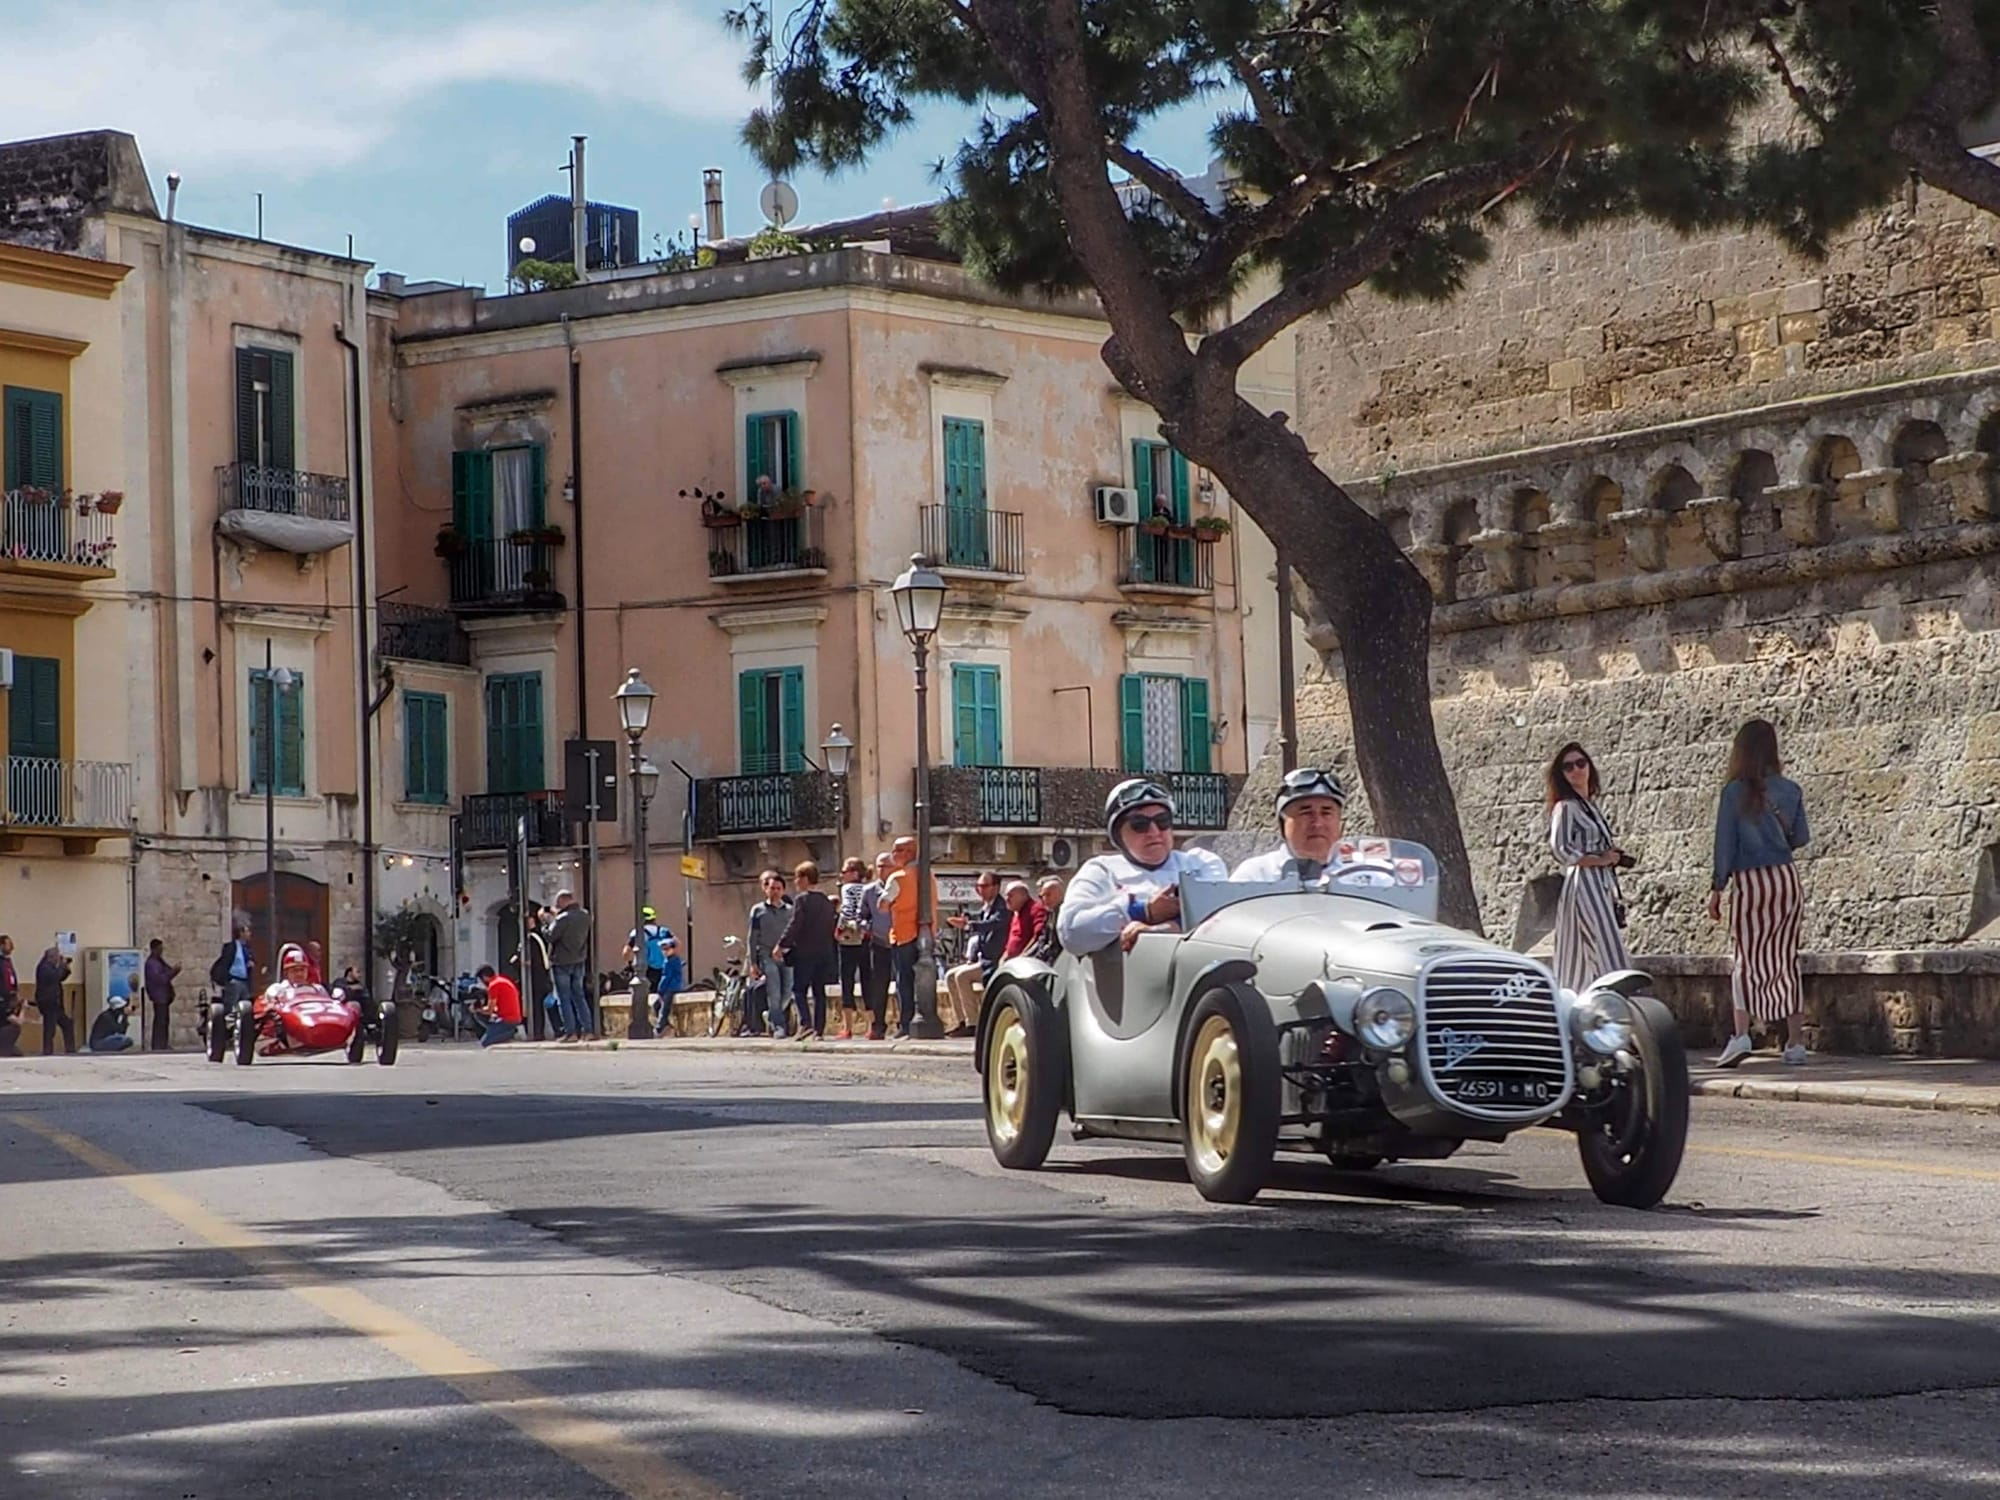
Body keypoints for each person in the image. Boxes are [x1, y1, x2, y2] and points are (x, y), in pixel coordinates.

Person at [1709, 719, 1812, 1068]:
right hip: (1785, 878)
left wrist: (1717, 888)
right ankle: (1795, 1041)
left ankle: (1741, 1035)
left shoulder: (1734, 792)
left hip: (1751, 881)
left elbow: (1725, 844)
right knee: (1786, 956)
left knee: (1745, 957)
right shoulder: (1791, 789)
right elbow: (1800, 838)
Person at [1058, 780, 1228, 956]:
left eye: (1162, 821)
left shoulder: (1201, 862)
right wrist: (1142, 910)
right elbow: (1070, 933)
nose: (1154, 831)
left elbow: (1220, 914)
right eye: (1139, 824)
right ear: (1118, 834)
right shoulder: (1100, 871)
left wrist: (1163, 928)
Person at [1544, 744, 1633, 995]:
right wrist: (1600, 859)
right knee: (1602, 941)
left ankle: (1585, 1000)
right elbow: (1560, 850)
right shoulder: (1566, 808)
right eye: (1568, 767)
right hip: (1584, 884)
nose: (1576, 770)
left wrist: (1611, 857)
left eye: (1580, 763)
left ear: (1590, 766)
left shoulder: (1590, 806)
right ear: (1561, 774)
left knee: (1583, 949)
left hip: (1600, 883)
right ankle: (1618, 994)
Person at [1231, 768, 1348, 881]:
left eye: (1326, 813)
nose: (1317, 823)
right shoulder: (1255, 875)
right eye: (1306, 813)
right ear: (1282, 823)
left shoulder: (1360, 876)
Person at [881, 835, 938, 1037]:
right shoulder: (927, 876)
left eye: (896, 850)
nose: (893, 854)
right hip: (925, 935)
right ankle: (926, 1017)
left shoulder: (898, 877)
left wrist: (893, 904)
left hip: (903, 934)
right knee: (924, 979)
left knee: (904, 981)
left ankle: (906, 1024)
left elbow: (883, 904)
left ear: (908, 853)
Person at [775, 861, 838, 1038]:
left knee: (798, 990)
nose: (795, 881)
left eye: (797, 877)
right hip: (824, 953)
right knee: (819, 992)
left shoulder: (802, 900)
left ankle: (806, 1024)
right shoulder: (827, 902)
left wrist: (781, 946)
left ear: (804, 878)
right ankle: (819, 1030)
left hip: (805, 953)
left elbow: (795, 925)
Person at [943, 871, 1007, 1037]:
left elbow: (992, 924)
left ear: (996, 887)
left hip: (993, 962)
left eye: (985, 886)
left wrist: (969, 925)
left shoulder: (1001, 907)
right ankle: (962, 1021)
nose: (981, 890)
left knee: (962, 976)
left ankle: (973, 1023)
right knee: (950, 975)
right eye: (978, 886)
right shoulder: (986, 907)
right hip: (981, 960)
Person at [747, 869, 796, 1036]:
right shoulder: (758, 910)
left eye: (778, 888)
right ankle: (778, 1027)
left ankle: (772, 1016)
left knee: (788, 991)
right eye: (771, 888)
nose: (775, 891)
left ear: (783, 890)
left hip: (787, 956)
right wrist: (753, 962)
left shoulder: (790, 911)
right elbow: (752, 938)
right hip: (767, 956)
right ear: (765, 889)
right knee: (773, 991)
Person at [545, 889, 595, 1043]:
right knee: (579, 996)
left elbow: (550, 936)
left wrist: (546, 922)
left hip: (562, 962)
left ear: (563, 901)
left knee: (564, 998)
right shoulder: (585, 915)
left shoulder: (562, 919)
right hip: (579, 960)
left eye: (558, 903)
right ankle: (588, 1030)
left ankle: (570, 1032)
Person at [833, 856, 874, 1040]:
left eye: (844, 872)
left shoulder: (847, 888)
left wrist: (839, 928)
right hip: (865, 937)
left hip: (850, 938)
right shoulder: (868, 888)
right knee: (867, 980)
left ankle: (847, 1027)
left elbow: (848, 910)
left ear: (854, 873)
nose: (842, 875)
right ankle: (871, 1026)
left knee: (847, 981)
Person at [861, 851, 896, 1039]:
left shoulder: (899, 887)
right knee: (878, 986)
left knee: (903, 984)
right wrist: (869, 927)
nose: (882, 870)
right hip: (879, 942)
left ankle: (903, 1024)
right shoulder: (869, 892)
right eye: (879, 866)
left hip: (900, 942)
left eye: (886, 866)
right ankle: (878, 1026)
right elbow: (861, 917)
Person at [516, 909, 556, 1041]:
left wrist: (522, 962)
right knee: (535, 1007)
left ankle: (537, 1033)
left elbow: (534, 959)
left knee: (535, 1007)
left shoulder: (533, 938)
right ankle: (537, 1032)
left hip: (535, 979)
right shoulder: (535, 937)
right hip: (537, 978)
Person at [624, 905, 673, 998]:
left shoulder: (637, 933)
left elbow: (626, 951)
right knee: (662, 997)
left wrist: (629, 963)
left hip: (646, 971)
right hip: (664, 969)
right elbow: (677, 945)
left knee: (643, 997)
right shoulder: (664, 931)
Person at [35, 946, 76, 1054]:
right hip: (48, 1002)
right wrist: (61, 966)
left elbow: (60, 977)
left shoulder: (51, 967)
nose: (58, 959)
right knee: (50, 1028)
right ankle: (47, 1051)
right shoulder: (43, 967)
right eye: (57, 957)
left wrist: (66, 969)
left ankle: (70, 1049)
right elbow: (55, 977)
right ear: (51, 957)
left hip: (56, 1003)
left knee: (67, 1024)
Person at [143, 939, 180, 1051]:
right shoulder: (151, 964)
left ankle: (163, 1044)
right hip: (159, 996)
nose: (161, 951)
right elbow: (161, 979)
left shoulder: (159, 961)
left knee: (164, 1021)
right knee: (160, 1021)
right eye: (159, 949)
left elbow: (166, 972)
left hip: (164, 996)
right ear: (154, 949)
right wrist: (173, 972)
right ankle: (158, 1045)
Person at [209, 920, 256, 1009]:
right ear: (241, 933)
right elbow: (225, 962)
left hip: (244, 982)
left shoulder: (247, 948)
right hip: (233, 981)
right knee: (231, 1005)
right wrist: (228, 979)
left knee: (246, 1006)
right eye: (247, 931)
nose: (249, 934)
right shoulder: (231, 947)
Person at [474, 964, 522, 1046]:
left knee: (485, 1043)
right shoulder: (502, 980)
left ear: (484, 977)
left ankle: (510, 1033)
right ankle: (496, 1032)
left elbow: (489, 1010)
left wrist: (477, 1009)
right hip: (513, 1017)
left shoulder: (493, 985)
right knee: (491, 1022)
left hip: (507, 1019)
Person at [1000, 879, 1046, 962]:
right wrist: (1004, 956)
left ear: (1023, 895)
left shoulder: (1035, 909)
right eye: (1006, 896)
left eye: (1010, 895)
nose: (1006, 899)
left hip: (1025, 964)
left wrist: (1023, 957)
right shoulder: (1016, 913)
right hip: (1011, 964)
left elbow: (1038, 937)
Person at [1025, 876, 1065, 964]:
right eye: (1042, 896)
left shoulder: (1065, 915)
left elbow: (1056, 945)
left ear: (1059, 895)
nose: (1044, 899)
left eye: (1048, 895)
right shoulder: (1049, 913)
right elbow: (1042, 939)